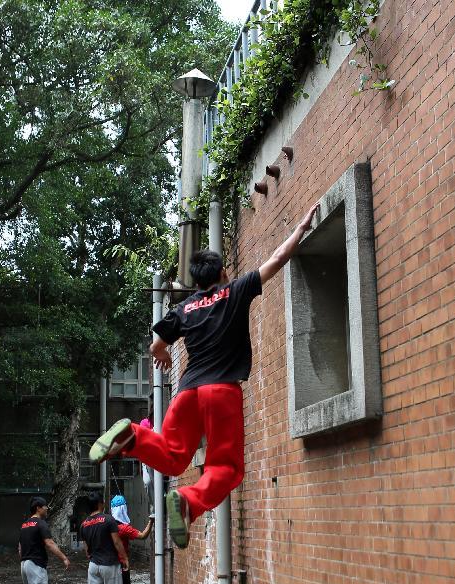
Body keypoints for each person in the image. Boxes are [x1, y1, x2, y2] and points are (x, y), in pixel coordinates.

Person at [89, 204, 320, 549]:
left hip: (186, 394)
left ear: (196, 281)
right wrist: (300, 228)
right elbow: (276, 259)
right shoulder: (236, 290)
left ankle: (133, 436)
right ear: (223, 272)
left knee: (172, 456)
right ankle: (188, 501)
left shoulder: (184, 308)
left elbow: (155, 345)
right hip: (220, 391)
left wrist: (163, 353)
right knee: (226, 468)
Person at [79, 491, 129, 584]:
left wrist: (93, 555)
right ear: (100, 503)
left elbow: (86, 549)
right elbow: (116, 542)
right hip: (110, 564)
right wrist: (124, 558)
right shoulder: (109, 520)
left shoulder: (84, 524)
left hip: (93, 566)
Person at [99, 494, 153, 584]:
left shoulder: (106, 525)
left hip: (106, 564)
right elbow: (142, 535)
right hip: (122, 566)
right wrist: (151, 521)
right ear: (124, 509)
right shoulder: (123, 528)